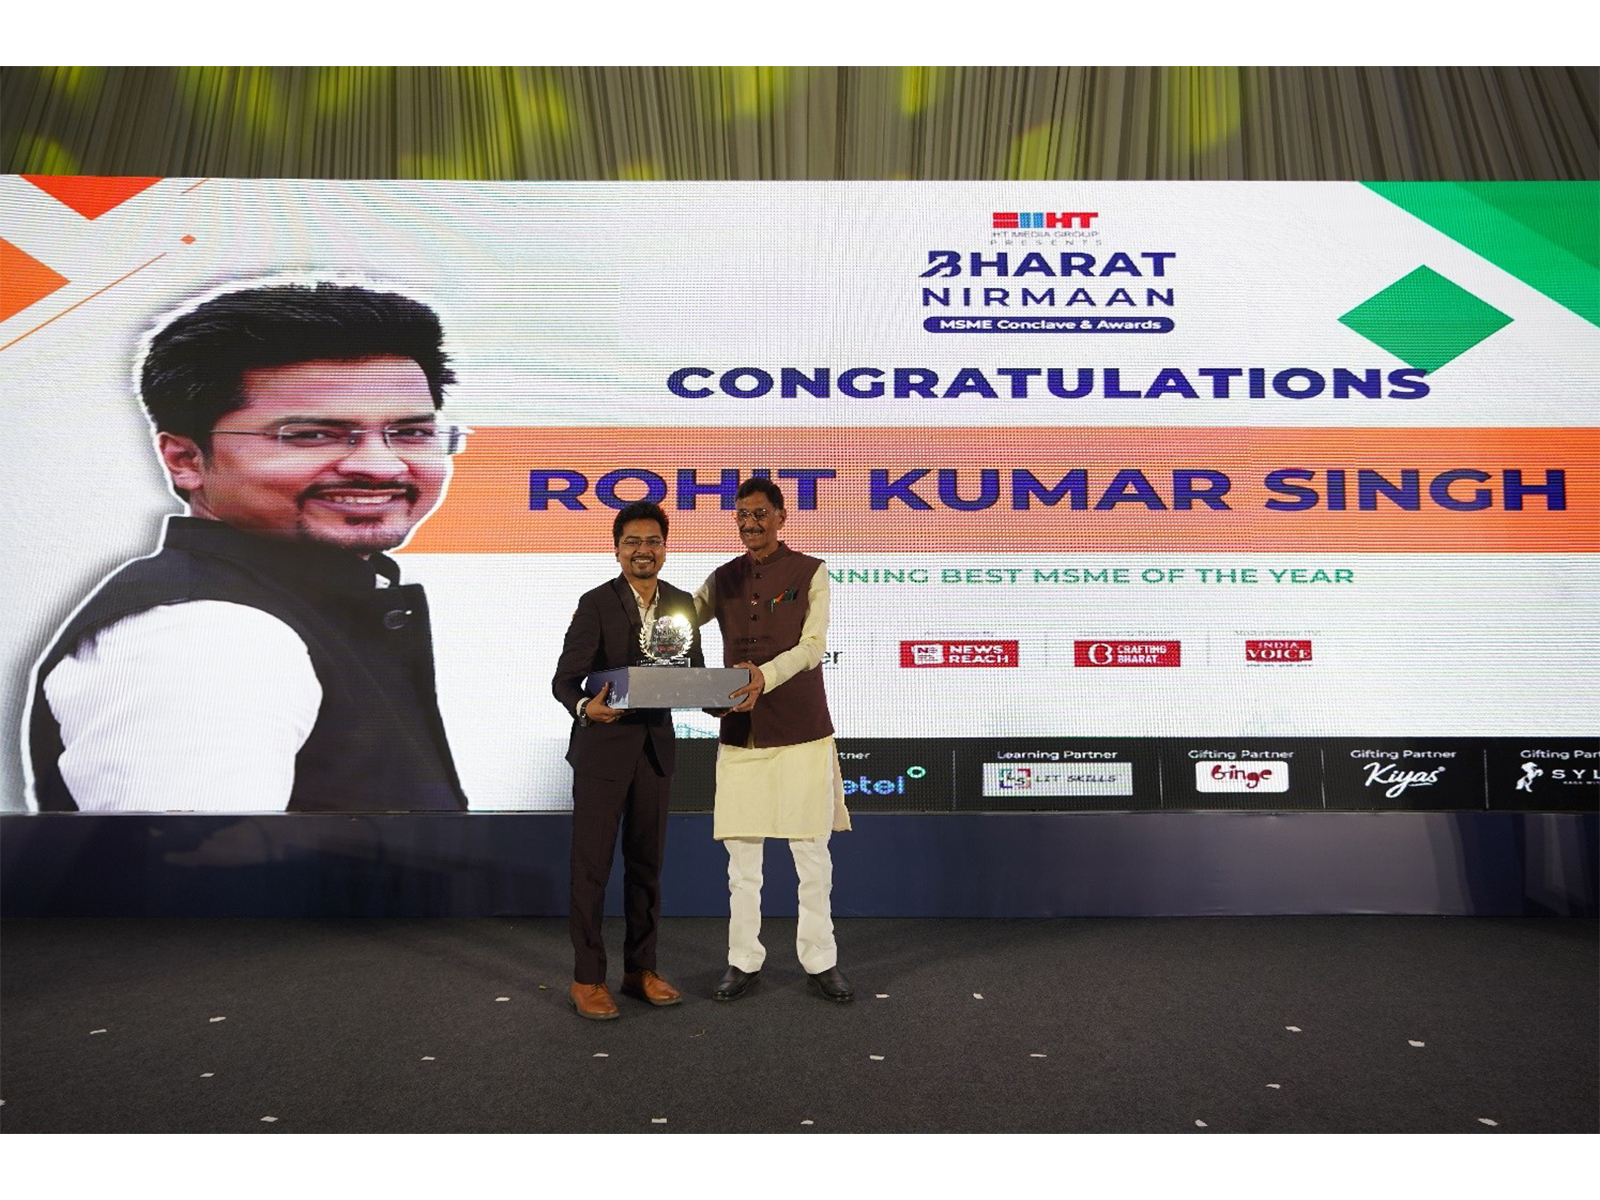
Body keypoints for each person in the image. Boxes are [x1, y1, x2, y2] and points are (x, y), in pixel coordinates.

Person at [24, 279, 470, 813]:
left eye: (412, 433)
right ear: (186, 460)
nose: (381, 466)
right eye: (311, 435)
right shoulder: (207, 636)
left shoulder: (306, 607)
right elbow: (188, 867)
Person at [694, 478, 853, 1003]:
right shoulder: (722, 578)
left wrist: (764, 675)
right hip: (741, 733)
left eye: (760, 513)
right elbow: (682, 619)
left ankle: (821, 961)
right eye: (742, 515)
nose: (750, 523)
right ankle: (743, 961)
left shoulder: (810, 571)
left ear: (782, 517)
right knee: (742, 865)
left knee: (812, 858)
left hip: (802, 729)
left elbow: (813, 646)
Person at [551, 500, 703, 1019]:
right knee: (591, 869)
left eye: (653, 541)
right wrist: (585, 708)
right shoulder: (595, 603)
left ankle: (641, 970)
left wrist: (725, 696)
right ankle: (587, 978)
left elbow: (694, 674)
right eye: (633, 541)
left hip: (655, 752)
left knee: (647, 868)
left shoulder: (681, 603)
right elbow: (564, 681)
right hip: (602, 751)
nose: (644, 550)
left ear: (665, 547)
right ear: (617, 550)